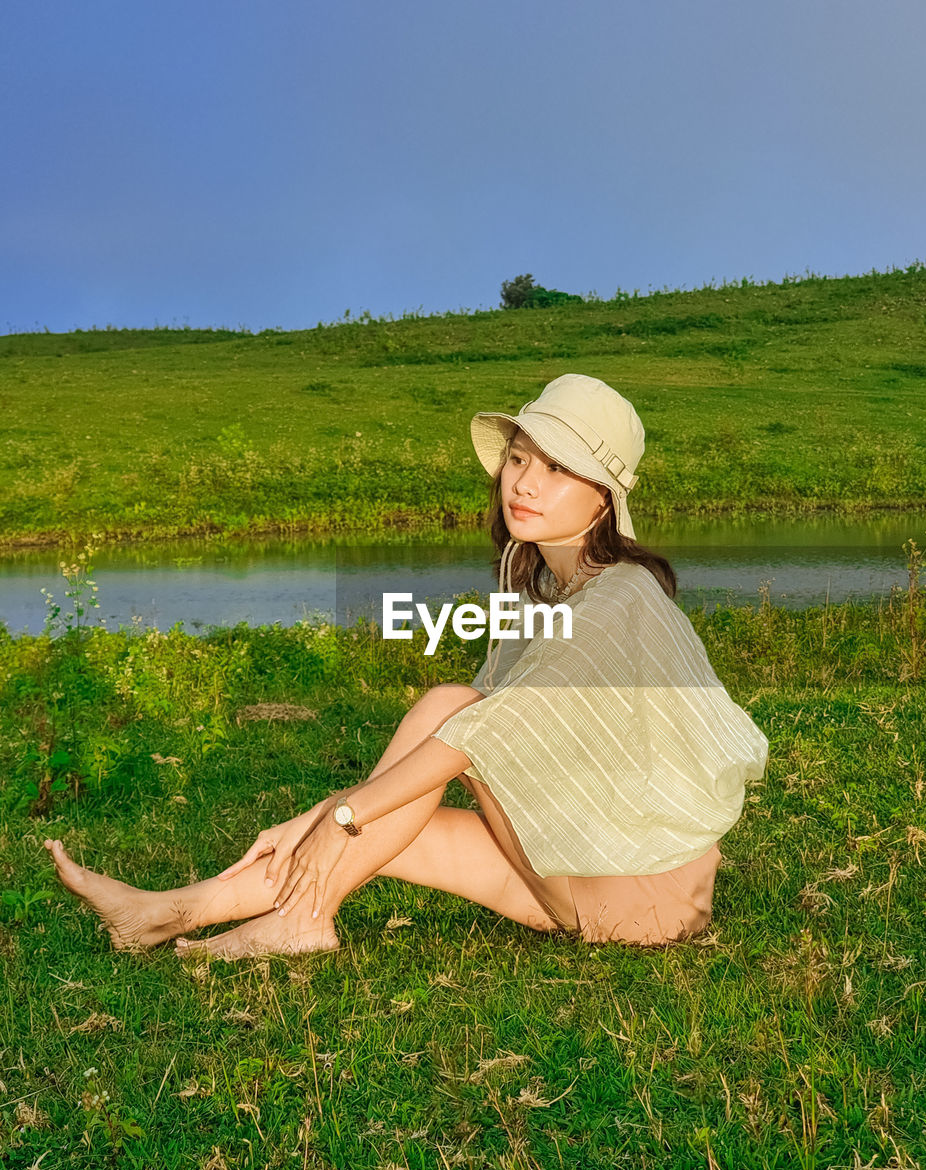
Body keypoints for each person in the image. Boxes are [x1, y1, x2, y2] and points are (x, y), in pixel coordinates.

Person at [45, 373, 769, 959]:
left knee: (446, 712)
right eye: (520, 458)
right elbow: (466, 747)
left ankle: (302, 919)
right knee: (394, 819)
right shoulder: (550, 586)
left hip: (641, 902)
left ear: (602, 498)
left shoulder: (621, 598)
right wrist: (325, 816)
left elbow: (477, 732)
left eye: (556, 469)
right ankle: (164, 914)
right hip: (583, 872)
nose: (525, 482)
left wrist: (341, 811)